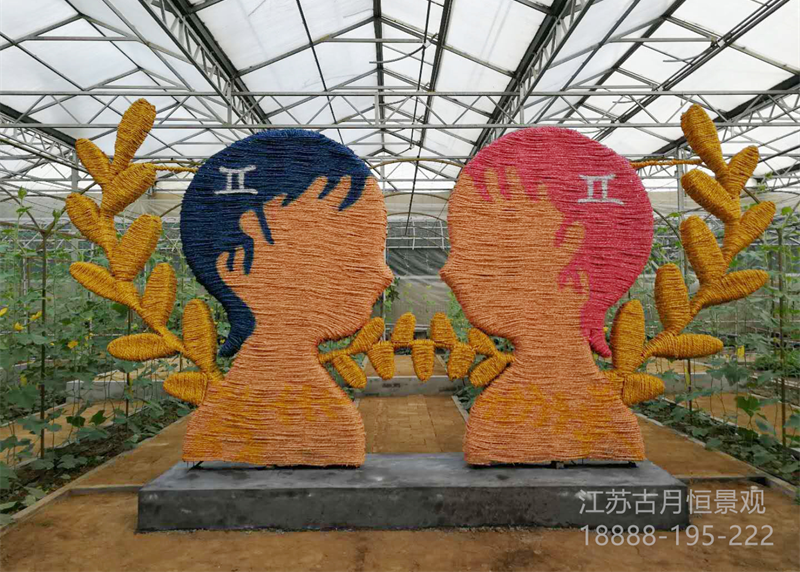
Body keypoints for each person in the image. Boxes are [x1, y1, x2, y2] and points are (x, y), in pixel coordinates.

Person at [179, 130, 392, 466]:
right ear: (235, 264)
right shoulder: (317, 419)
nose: (384, 274)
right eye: (342, 250)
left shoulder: (317, 414)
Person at [441, 127, 653, 464]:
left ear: (568, 246)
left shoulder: (504, 418)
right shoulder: (505, 411)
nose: (449, 271)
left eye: (486, 250)